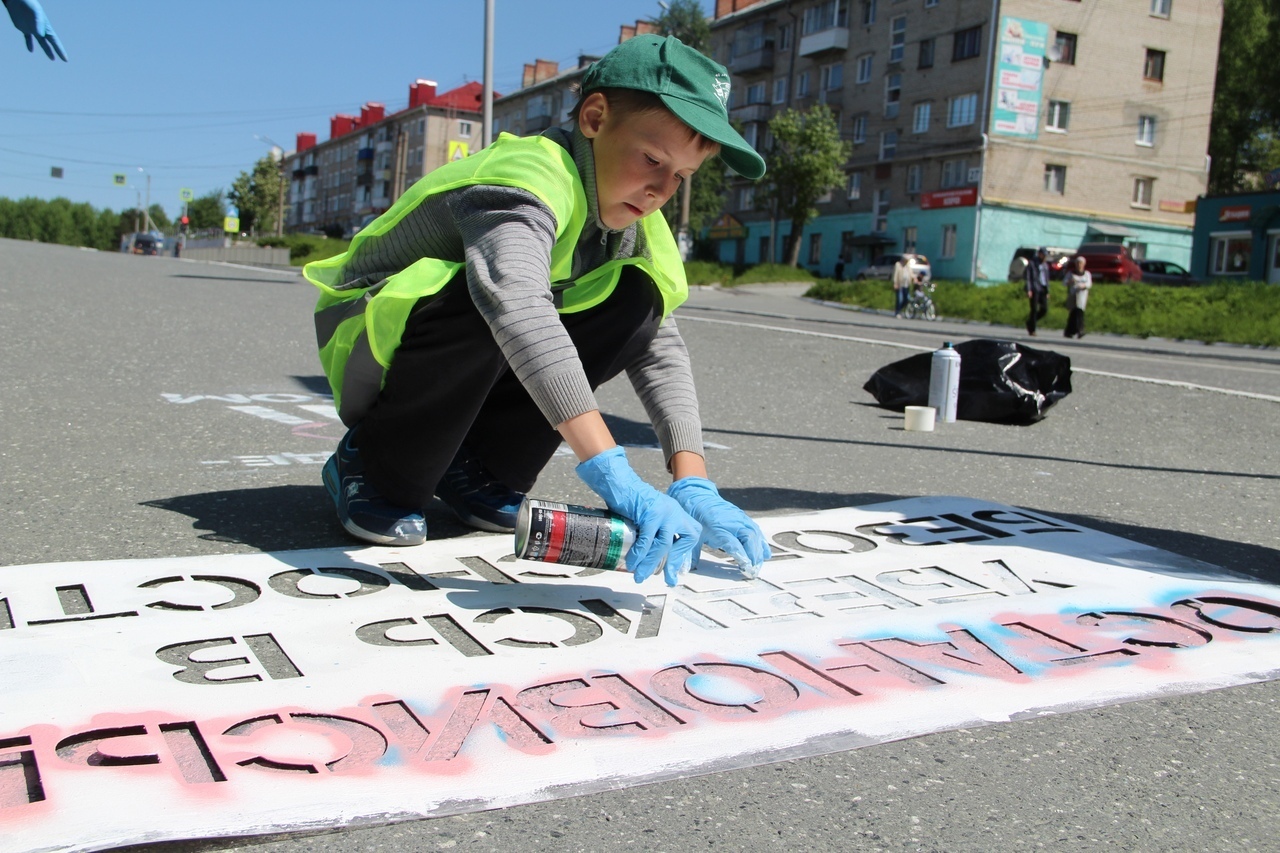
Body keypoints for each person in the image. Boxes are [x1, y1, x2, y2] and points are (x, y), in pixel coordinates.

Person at [304, 35, 770, 587]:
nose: (659, 190)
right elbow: (517, 305)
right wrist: (610, 472)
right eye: (652, 159)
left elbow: (657, 342)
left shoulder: (634, 219)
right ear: (595, 118)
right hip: (373, 340)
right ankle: (373, 463)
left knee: (637, 298)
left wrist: (692, 479)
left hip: (473, 344)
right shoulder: (527, 176)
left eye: (681, 177)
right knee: (496, 297)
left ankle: (474, 470)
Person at [1063, 255, 1092, 339]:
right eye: (1078, 263)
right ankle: (1069, 331)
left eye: (1081, 263)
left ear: (1084, 264)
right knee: (1073, 314)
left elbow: (1089, 284)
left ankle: (1080, 330)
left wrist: (1083, 286)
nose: (1079, 265)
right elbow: (1064, 283)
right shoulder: (1071, 273)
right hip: (1073, 295)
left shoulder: (1086, 274)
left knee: (1080, 313)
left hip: (1082, 296)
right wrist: (1069, 282)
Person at [1024, 246, 1050, 336]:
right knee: (1034, 309)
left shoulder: (1045, 265)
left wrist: (1047, 291)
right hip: (1034, 288)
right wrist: (1029, 289)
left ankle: (1030, 322)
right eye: (1043, 255)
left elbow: (1046, 279)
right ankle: (1032, 330)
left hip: (1043, 289)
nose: (1045, 257)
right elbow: (1028, 277)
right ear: (1039, 254)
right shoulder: (1032, 263)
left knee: (1044, 309)